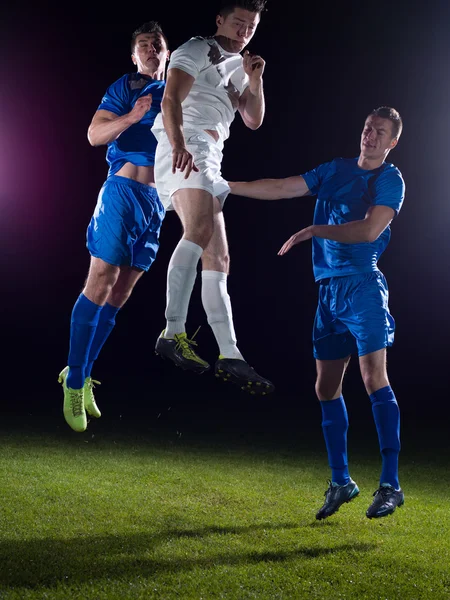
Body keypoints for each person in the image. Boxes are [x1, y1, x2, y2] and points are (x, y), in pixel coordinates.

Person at [228, 107, 406, 519]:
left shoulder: (389, 179)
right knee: (325, 388)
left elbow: (369, 230)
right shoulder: (335, 169)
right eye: (366, 128)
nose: (370, 136)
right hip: (328, 292)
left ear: (392, 142)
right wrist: (226, 186)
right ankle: (341, 482)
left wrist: (314, 230)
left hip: (363, 286)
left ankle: (390, 484)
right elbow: (283, 187)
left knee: (372, 376)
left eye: (380, 132)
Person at [150, 0, 274, 396]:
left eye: (251, 26)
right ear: (220, 20)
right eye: (238, 22)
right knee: (200, 230)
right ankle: (172, 331)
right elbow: (170, 99)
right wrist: (178, 143)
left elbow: (254, 120)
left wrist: (255, 80)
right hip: (187, 144)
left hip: (211, 158)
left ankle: (230, 355)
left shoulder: (241, 65)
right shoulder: (196, 49)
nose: (244, 31)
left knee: (218, 257)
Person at [58, 22, 170, 432]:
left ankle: (84, 373)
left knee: (120, 295)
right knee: (100, 281)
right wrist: (133, 114)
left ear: (167, 52)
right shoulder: (126, 86)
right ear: (134, 56)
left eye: (157, 44)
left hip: (158, 203)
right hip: (123, 192)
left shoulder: (178, 89)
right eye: (144, 46)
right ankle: (73, 380)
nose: (151, 50)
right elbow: (93, 134)